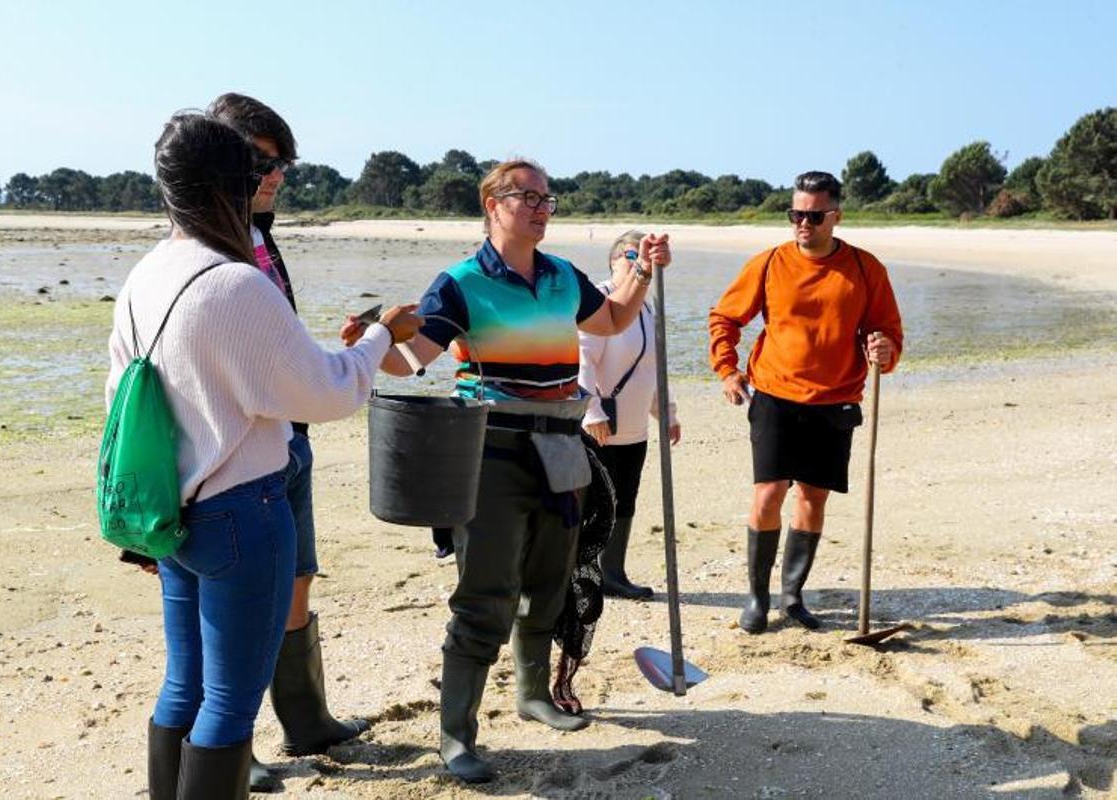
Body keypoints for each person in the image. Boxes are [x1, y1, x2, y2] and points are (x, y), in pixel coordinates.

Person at [109, 111, 420, 800]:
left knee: (183, 683)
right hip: (242, 510)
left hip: (172, 511)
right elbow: (326, 393)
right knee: (227, 704)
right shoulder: (238, 283)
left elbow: (120, 393)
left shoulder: (147, 272)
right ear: (233, 183)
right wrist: (377, 336)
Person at [344, 159, 671, 783]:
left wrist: (643, 269)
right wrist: (366, 345)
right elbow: (411, 361)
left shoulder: (562, 277)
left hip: (563, 447)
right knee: (484, 598)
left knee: (549, 582)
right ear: (492, 205)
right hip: (489, 455)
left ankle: (533, 695)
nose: (542, 208)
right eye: (528, 197)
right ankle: (455, 738)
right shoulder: (460, 282)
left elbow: (613, 318)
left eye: (548, 198)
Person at [207, 92, 370, 793]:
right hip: (241, 456)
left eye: (284, 165)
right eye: (264, 162)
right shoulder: (212, 243)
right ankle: (230, 746)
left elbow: (270, 339)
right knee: (241, 604)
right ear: (222, 158)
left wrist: (317, 354)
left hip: (290, 442)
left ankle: (307, 721)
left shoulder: (261, 235)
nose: (276, 177)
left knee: (298, 579)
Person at [707, 171, 903, 635]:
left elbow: (888, 333)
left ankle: (792, 597)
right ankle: (757, 597)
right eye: (796, 214)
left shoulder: (864, 268)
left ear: (835, 216)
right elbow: (725, 317)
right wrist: (727, 369)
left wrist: (885, 352)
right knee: (769, 494)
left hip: (835, 401)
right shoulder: (769, 263)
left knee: (812, 499)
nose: (803, 224)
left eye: (814, 216)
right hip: (775, 394)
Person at [578, 230, 682, 599]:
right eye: (631, 255)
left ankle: (613, 573)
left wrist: (666, 413)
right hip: (599, 427)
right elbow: (583, 362)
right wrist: (591, 412)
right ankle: (580, 574)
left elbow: (652, 369)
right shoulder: (599, 301)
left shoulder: (648, 308)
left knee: (626, 497)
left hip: (634, 427)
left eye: (645, 256)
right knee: (594, 501)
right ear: (612, 260)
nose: (639, 262)